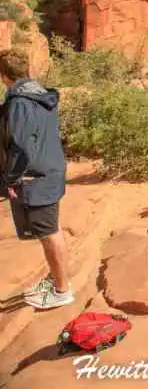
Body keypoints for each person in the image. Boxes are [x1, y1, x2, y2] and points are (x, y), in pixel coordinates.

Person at [0, 49, 72, 309]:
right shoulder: (39, 95)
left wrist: (11, 179)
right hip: (48, 171)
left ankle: (62, 290)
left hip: (36, 177)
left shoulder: (19, 102)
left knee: (49, 233)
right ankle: (57, 280)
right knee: (51, 230)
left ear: (4, 75)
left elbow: (20, 144)